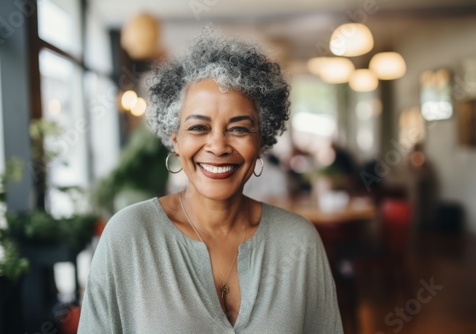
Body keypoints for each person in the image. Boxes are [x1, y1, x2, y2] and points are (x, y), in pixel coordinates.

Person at [78, 32, 343, 333]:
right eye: (199, 127)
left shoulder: (298, 241)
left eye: (239, 129)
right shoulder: (129, 236)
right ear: (175, 141)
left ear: (261, 142)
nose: (218, 146)